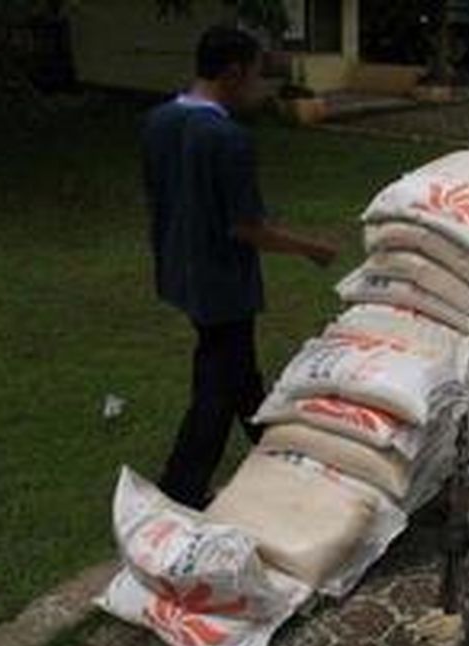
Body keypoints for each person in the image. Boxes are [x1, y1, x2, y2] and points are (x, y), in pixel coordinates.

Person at [142, 26, 338, 509]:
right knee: (217, 387)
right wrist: (311, 247)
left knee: (239, 373)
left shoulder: (158, 120)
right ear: (233, 71)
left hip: (180, 270)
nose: (258, 84)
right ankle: (180, 488)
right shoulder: (226, 138)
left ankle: (272, 455)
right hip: (221, 283)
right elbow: (247, 228)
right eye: (255, 73)